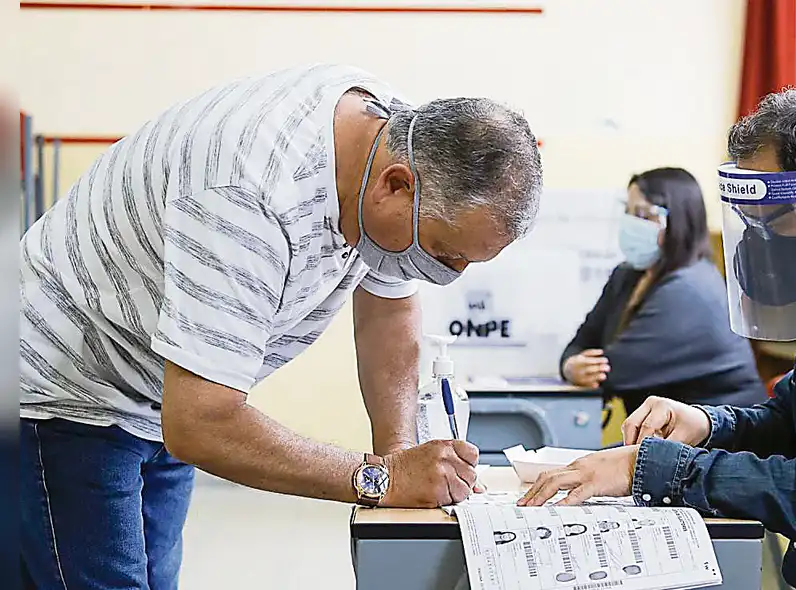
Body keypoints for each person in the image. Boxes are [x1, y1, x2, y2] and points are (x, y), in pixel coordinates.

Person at [19, 64, 543, 589]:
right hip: (65, 383)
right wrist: (380, 479)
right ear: (397, 185)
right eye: (442, 253)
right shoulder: (248, 193)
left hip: (158, 386)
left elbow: (389, 305)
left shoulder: (397, 140)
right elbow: (201, 422)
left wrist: (398, 452)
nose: (444, 275)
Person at [520, 89, 796, 590]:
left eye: (771, 222)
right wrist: (706, 423)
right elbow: (791, 419)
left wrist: (648, 467)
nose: (758, 245)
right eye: (749, 225)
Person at [559, 168, 764, 414]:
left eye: (643, 214)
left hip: (723, 437)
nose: (631, 223)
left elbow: (614, 372)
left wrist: (575, 367)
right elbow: (581, 341)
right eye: (628, 211)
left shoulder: (691, 288)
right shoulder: (627, 276)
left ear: (677, 222)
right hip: (667, 434)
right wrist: (569, 366)